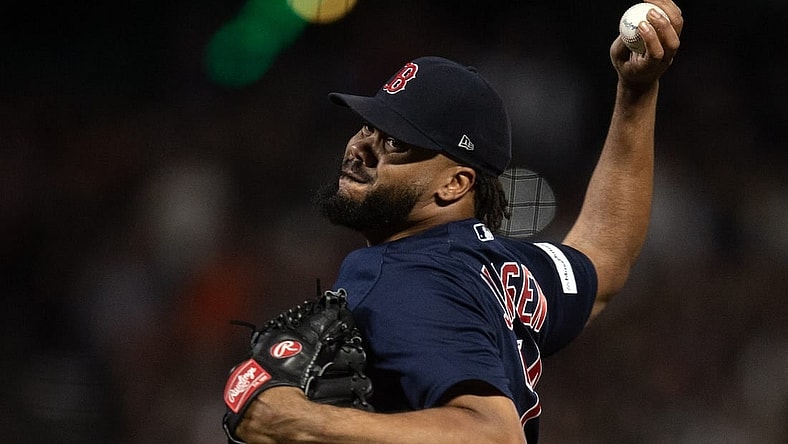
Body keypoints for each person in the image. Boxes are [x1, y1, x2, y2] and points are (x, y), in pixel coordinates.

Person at [233, 1, 683, 442]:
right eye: (368, 125)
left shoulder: (408, 277)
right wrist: (636, 93)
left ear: (454, 184)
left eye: (395, 141)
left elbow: (493, 435)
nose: (361, 146)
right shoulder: (502, 267)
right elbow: (604, 256)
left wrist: (297, 423)